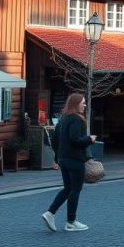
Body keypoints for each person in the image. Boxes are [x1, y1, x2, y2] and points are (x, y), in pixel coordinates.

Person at [42, 93, 96, 232]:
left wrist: (57, 158)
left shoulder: (63, 119)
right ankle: (71, 222)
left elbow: (54, 140)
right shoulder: (76, 120)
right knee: (75, 190)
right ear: (76, 104)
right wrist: (89, 139)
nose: (85, 105)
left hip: (63, 159)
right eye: (83, 103)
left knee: (67, 188)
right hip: (75, 159)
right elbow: (75, 140)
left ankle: (49, 213)